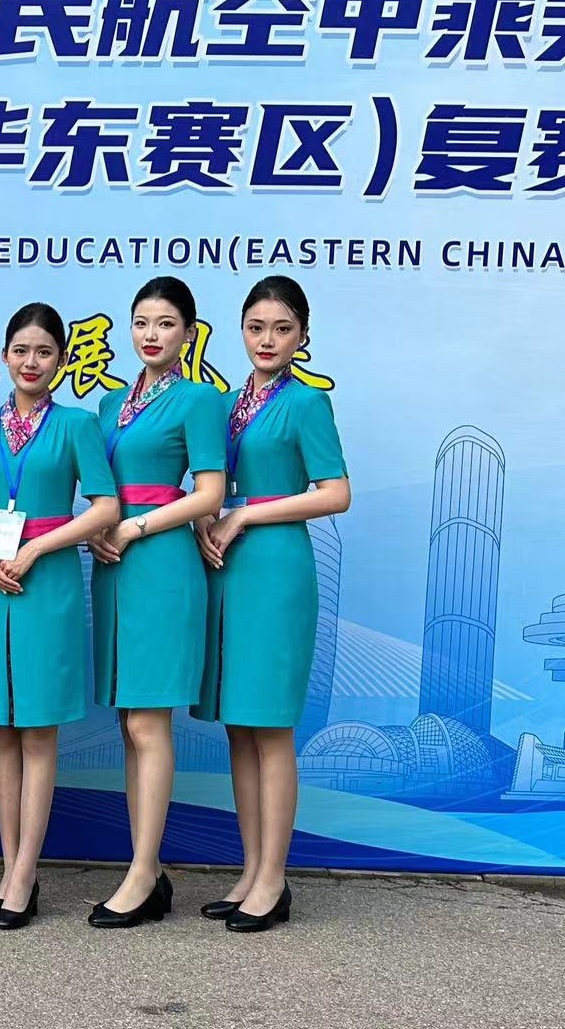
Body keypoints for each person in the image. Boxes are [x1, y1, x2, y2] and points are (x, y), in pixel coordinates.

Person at [194, 275, 352, 934]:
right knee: (238, 724)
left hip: (276, 570)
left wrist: (244, 515)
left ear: (302, 336)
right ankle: (251, 870)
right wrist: (207, 519)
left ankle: (274, 879)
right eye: (256, 327)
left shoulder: (307, 403)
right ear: (241, 330)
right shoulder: (225, 405)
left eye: (282, 329)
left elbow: (335, 493)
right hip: (224, 568)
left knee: (271, 725)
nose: (267, 340)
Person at [0, 303, 119, 931]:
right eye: (21, 350)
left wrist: (37, 548)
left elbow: (105, 508)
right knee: (2, 730)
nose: (31, 362)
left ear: (62, 360)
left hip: (46, 583)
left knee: (38, 730)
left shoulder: (77, 424)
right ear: (3, 356)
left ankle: (25, 873)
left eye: (44, 352)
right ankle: (9, 868)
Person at [84, 277, 226, 928]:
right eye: (141, 321)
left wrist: (135, 527)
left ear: (188, 333)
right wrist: (97, 530)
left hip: (161, 563)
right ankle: (149, 869)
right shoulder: (110, 402)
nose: (150, 334)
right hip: (113, 566)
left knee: (148, 723)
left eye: (165, 323)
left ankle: (143, 873)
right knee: (128, 724)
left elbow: (209, 494)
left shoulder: (199, 400)